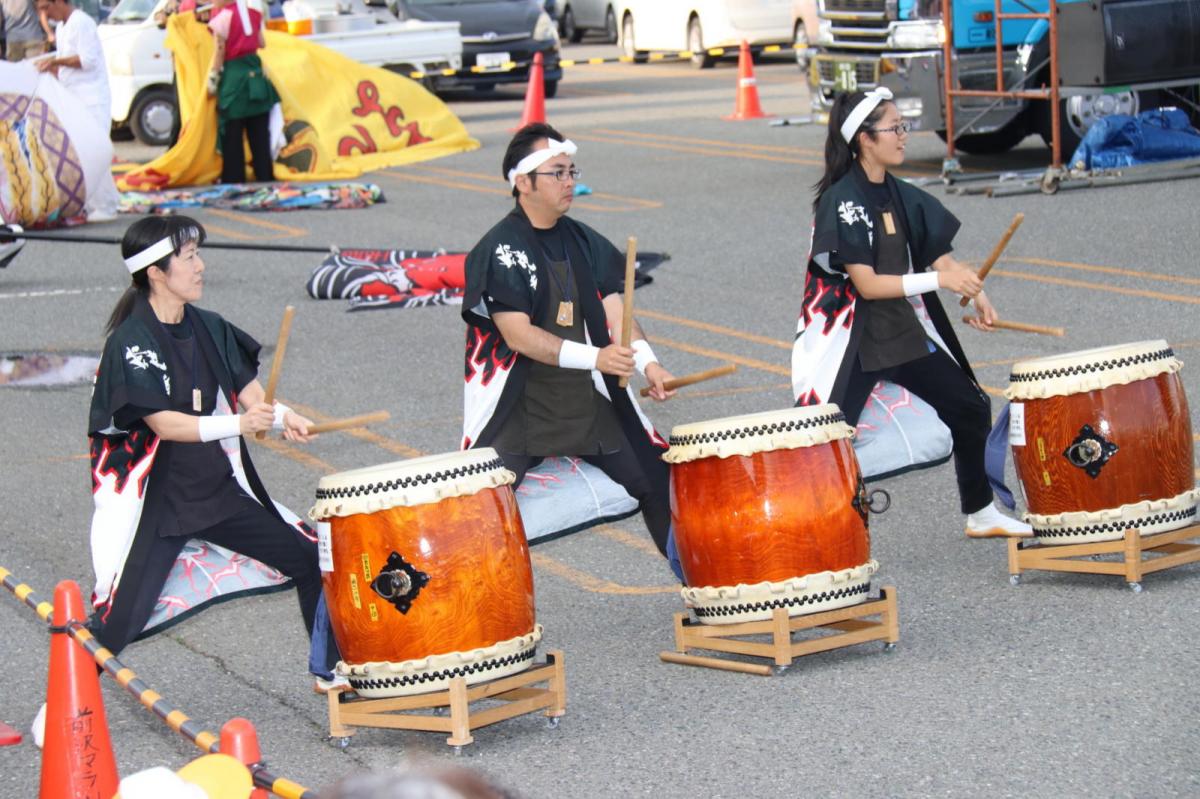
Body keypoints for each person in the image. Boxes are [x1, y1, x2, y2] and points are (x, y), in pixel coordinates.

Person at [85, 215, 340, 683]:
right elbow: (164, 423)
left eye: (198, 254)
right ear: (157, 272)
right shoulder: (132, 342)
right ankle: (62, 706)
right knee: (120, 620)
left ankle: (332, 673)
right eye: (189, 258)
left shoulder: (209, 327)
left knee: (311, 557)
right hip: (158, 506)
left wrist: (284, 418)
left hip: (215, 494)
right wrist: (240, 423)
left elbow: (253, 397)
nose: (200, 266)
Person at [791, 87, 1031, 539]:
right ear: (865, 139)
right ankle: (808, 536)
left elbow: (938, 255)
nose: (904, 135)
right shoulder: (843, 201)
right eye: (894, 128)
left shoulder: (902, 195)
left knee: (970, 405)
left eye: (904, 125)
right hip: (852, 344)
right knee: (823, 439)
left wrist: (971, 287)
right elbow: (867, 284)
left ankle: (980, 512)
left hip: (899, 333)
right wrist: (941, 281)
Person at [461, 122, 676, 556]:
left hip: (582, 403)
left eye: (572, 172)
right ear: (523, 183)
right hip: (518, 407)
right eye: (556, 173)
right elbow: (517, 335)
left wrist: (649, 364)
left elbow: (619, 313)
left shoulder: (582, 239)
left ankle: (701, 590)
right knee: (480, 513)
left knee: (660, 481)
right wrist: (597, 358)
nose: (569, 182)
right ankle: (486, 617)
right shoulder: (501, 248)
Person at [33, 0, 120, 222]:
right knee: (81, 154)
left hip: (92, 98)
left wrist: (56, 61)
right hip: (75, 97)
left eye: (46, 7)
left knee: (95, 150)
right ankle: (91, 203)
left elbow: (87, 61)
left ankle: (107, 205)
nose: (45, 13)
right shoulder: (62, 27)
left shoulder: (82, 22)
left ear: (59, 2)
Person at [206, 0, 277, 184]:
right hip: (255, 75)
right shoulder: (253, 15)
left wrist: (213, 76)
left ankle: (234, 177)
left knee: (232, 132)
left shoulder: (222, 18)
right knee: (260, 132)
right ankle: (264, 174)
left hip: (234, 78)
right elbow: (261, 43)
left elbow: (219, 50)